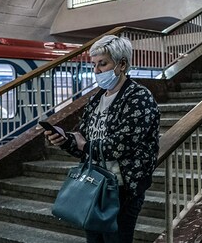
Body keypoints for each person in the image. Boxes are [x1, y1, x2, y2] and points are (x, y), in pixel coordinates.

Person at [44, 35, 160, 243]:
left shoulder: (139, 97)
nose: (96, 71)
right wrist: (65, 140)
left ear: (122, 64)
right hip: (95, 184)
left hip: (122, 189)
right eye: (94, 65)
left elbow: (124, 144)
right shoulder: (96, 98)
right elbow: (83, 140)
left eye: (102, 64)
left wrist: (85, 144)